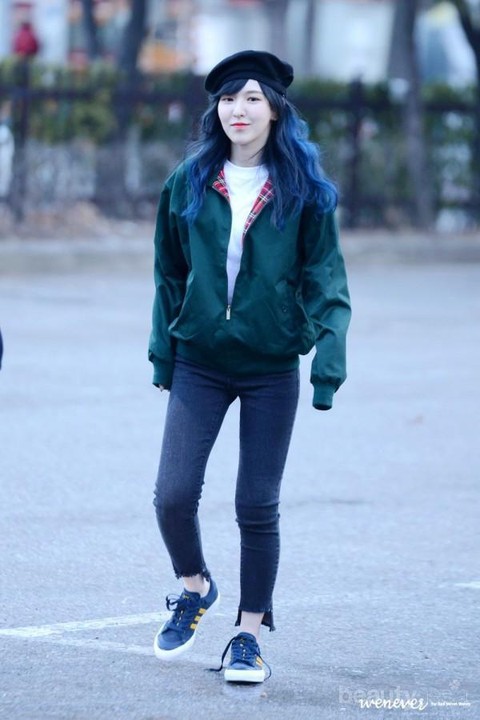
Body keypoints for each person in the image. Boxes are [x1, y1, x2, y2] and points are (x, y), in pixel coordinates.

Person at [148, 49, 351, 684]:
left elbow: (326, 277)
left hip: (269, 365)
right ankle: (194, 586)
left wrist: (328, 357)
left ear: (275, 111)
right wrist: (163, 351)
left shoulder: (303, 190)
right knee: (173, 495)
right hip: (200, 360)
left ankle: (249, 634)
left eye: (253, 98)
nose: (239, 109)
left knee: (256, 504)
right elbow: (168, 272)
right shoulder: (188, 180)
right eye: (229, 99)